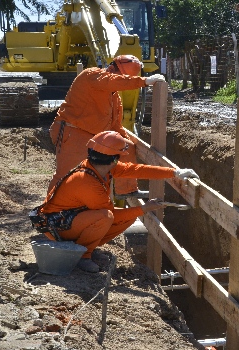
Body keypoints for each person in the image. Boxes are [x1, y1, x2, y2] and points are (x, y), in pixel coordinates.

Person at [39, 131, 199, 273]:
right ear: (114, 159)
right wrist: (145, 208)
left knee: (125, 216)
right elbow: (112, 216)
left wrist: (174, 173)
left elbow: (136, 170)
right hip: (57, 226)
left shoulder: (100, 167)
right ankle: (83, 256)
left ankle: (85, 246)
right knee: (106, 217)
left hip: (68, 218)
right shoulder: (87, 182)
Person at [48, 54, 166, 198]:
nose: (122, 84)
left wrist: (126, 141)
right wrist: (145, 81)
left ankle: (126, 190)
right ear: (111, 68)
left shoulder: (114, 98)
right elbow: (112, 81)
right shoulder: (92, 75)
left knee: (127, 148)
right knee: (66, 175)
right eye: (122, 78)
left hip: (93, 136)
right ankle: (48, 213)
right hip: (72, 132)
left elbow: (115, 125)